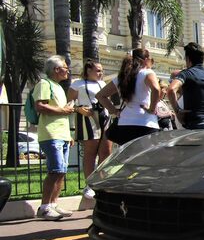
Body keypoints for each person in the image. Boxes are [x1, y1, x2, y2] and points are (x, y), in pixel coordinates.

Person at [34, 55, 76, 220]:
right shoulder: (44, 84)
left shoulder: (58, 87)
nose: (68, 70)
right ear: (56, 69)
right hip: (51, 134)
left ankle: (53, 204)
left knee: (61, 171)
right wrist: (63, 111)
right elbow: (40, 106)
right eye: (65, 67)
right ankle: (44, 207)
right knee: (55, 170)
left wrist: (69, 135)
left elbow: (61, 111)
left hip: (62, 134)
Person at [96, 48, 160, 145]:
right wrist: (152, 109)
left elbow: (100, 95)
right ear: (145, 59)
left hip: (124, 123)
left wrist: (114, 111)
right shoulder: (148, 73)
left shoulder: (122, 77)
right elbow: (156, 89)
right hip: (145, 122)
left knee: (128, 158)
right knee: (146, 158)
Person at [68, 60, 112, 198]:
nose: (101, 73)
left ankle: (100, 181)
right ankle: (89, 184)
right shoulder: (77, 84)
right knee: (90, 153)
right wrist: (78, 109)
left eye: (102, 70)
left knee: (106, 151)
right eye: (98, 70)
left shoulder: (103, 84)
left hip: (104, 117)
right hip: (87, 118)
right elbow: (68, 103)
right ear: (88, 71)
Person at [167, 42, 204, 129]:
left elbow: (171, 90)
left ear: (188, 59)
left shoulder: (186, 74)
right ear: (202, 59)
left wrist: (178, 111)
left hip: (195, 125)